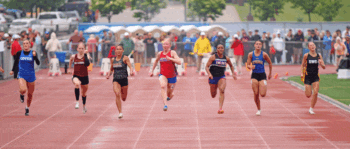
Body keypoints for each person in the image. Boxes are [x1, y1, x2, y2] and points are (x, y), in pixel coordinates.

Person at [10, 40, 40, 116]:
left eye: (27, 43)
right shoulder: (19, 53)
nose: (25, 45)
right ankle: (21, 94)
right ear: (22, 45)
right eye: (24, 43)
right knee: (23, 89)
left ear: (30, 45)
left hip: (31, 76)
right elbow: (16, 62)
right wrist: (13, 70)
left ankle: (27, 107)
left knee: (30, 94)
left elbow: (38, 63)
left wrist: (35, 56)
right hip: (22, 74)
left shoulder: (33, 52)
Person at [150, 39, 181, 111]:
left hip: (172, 75)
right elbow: (156, 61)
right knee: (163, 86)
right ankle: (165, 105)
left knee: (169, 93)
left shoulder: (172, 53)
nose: (165, 46)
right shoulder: (160, 53)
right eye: (164, 44)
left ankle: (170, 95)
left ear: (170, 45)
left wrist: (170, 58)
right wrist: (152, 71)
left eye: (167, 44)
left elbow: (179, 62)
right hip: (163, 74)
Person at [206, 44, 237, 114]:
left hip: (221, 76)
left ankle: (220, 108)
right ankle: (215, 85)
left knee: (222, 90)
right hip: (213, 77)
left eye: (221, 48)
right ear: (216, 49)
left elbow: (231, 65)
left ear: (223, 49)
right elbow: (207, 67)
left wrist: (233, 73)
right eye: (219, 48)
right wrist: (209, 74)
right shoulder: (213, 57)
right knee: (213, 95)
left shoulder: (226, 58)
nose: (220, 49)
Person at [106, 44, 134, 119]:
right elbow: (111, 69)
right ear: (115, 51)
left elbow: (130, 66)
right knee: (117, 94)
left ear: (122, 50)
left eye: (120, 49)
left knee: (124, 98)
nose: (118, 51)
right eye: (117, 49)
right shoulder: (113, 59)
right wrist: (109, 74)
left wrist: (131, 71)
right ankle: (120, 112)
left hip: (124, 79)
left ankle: (122, 95)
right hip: (116, 79)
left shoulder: (125, 58)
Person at [246, 40, 272, 116]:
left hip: (262, 75)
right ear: (254, 45)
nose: (258, 45)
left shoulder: (264, 54)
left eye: (259, 44)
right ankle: (259, 109)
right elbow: (247, 65)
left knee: (263, 94)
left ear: (261, 46)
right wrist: (250, 66)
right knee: (256, 93)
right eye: (257, 44)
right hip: (254, 75)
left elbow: (270, 63)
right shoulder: (251, 54)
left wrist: (270, 73)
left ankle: (263, 87)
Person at [301, 42, 326, 114]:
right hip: (308, 76)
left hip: (315, 76)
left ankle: (311, 109)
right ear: (308, 47)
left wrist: (322, 64)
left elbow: (324, 67)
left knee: (316, 93)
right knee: (308, 95)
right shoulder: (306, 55)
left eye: (313, 45)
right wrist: (301, 73)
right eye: (310, 46)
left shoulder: (319, 55)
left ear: (315, 46)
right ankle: (307, 88)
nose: (312, 46)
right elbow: (302, 65)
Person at [68, 42, 92, 114]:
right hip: (76, 75)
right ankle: (77, 102)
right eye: (80, 48)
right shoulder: (74, 56)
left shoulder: (86, 56)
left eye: (82, 48)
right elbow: (70, 60)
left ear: (84, 49)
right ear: (77, 49)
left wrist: (86, 54)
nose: (81, 50)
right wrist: (69, 68)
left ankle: (84, 106)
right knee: (77, 83)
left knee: (84, 93)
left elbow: (88, 64)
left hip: (84, 76)